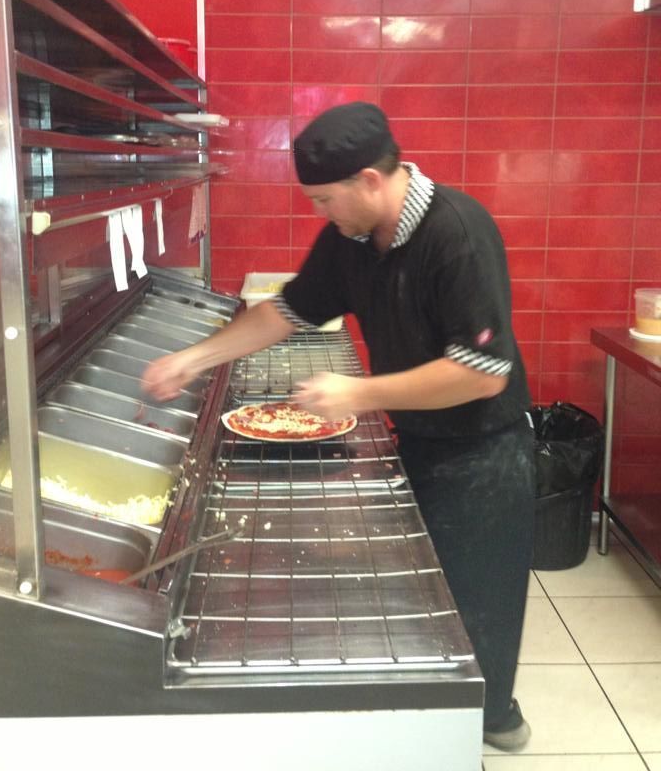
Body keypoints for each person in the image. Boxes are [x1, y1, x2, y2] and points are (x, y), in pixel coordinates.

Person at [142, 101, 535, 752]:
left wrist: (359, 392)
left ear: (370, 181)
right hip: (420, 438)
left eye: (326, 200)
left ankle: (493, 721)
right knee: (430, 600)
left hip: (484, 456)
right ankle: (432, 728)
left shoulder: (457, 233)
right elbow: (289, 310)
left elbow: (482, 372)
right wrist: (195, 358)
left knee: (479, 605)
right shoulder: (351, 239)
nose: (321, 213)